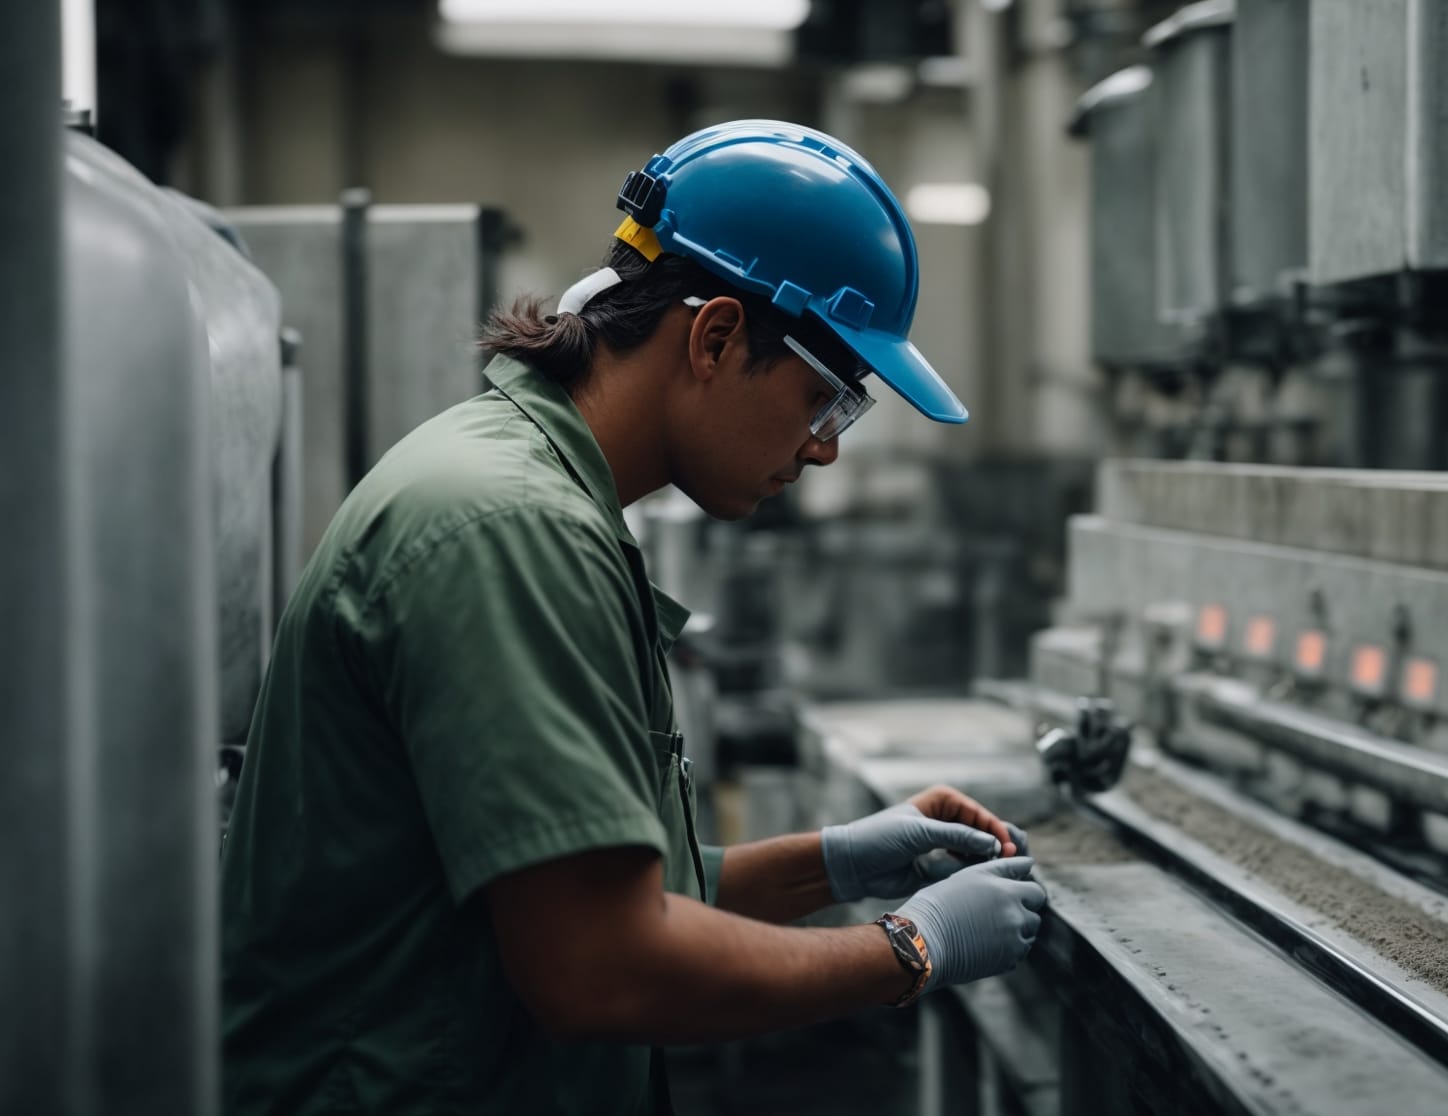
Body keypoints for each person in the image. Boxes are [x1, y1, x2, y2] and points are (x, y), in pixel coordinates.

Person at [220, 120, 1045, 1115]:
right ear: (714, 337)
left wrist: (828, 863)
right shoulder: (511, 529)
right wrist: (909, 948)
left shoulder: (537, 493)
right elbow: (601, 962)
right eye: (824, 399)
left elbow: (577, 886)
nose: (822, 448)